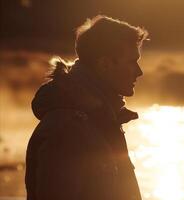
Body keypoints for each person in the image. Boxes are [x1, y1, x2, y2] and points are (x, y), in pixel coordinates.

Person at [25, 15, 148, 200]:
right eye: (131, 61)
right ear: (105, 64)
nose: (139, 72)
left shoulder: (102, 118)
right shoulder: (66, 131)